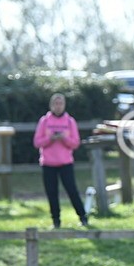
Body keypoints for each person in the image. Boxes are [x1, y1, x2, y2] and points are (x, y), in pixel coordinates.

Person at [33, 93, 88, 229]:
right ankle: (56, 221)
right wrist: (50, 139)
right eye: (55, 104)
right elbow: (37, 142)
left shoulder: (70, 122)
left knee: (72, 191)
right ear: (51, 105)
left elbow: (75, 143)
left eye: (61, 103)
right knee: (52, 193)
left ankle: (83, 217)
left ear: (64, 105)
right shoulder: (44, 121)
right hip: (48, 164)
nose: (58, 106)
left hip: (65, 163)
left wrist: (64, 138)